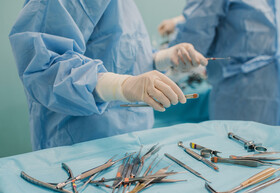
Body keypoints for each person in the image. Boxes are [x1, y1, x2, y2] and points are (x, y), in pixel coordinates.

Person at [9, 0, 207, 150]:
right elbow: (44, 70)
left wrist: (163, 58)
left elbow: (121, 54)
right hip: (81, 144)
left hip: (131, 138)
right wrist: (120, 86)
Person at [161, 0, 280, 130]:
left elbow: (190, 44)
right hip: (252, 92)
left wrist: (173, 41)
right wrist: (180, 24)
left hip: (269, 85)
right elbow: (192, 43)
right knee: (244, 148)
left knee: (276, 145)